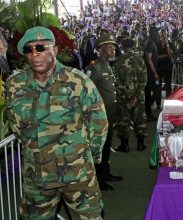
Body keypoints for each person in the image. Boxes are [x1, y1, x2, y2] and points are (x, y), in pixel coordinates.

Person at [6, 26, 108, 219]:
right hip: (36, 175)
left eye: (41, 47)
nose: (35, 54)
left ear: (55, 50)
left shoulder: (78, 81)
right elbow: (17, 127)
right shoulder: (15, 85)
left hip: (77, 173)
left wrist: (88, 158)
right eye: (29, 49)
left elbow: (98, 124)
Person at [87, 33, 123, 191]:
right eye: (109, 48)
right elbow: (88, 92)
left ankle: (106, 173)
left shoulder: (108, 65)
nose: (113, 50)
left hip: (110, 112)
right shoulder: (95, 67)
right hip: (100, 115)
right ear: (100, 50)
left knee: (107, 144)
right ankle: (99, 180)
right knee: (100, 147)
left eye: (114, 47)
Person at [114, 38, 147, 152]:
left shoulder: (118, 61)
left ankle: (125, 145)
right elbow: (144, 80)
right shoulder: (140, 60)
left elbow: (116, 80)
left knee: (123, 120)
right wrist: (136, 94)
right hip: (139, 95)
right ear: (133, 46)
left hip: (124, 96)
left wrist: (127, 92)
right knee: (140, 119)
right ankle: (141, 144)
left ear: (122, 47)